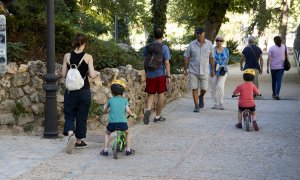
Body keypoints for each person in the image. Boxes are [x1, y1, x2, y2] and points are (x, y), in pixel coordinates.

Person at [61, 33, 96, 154]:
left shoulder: (67, 56)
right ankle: (79, 141)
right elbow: (92, 74)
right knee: (82, 115)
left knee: (69, 113)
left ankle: (71, 134)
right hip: (84, 90)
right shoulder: (88, 57)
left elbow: (63, 75)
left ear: (74, 43)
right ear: (85, 44)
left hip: (71, 91)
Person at [100, 80, 136, 156]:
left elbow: (105, 111)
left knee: (107, 133)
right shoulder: (124, 100)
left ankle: (105, 150)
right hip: (122, 123)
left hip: (112, 124)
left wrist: (107, 111)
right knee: (128, 132)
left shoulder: (110, 100)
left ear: (112, 92)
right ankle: (128, 150)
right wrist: (132, 114)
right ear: (122, 92)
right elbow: (128, 111)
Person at [143, 27, 171, 125]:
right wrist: (168, 75)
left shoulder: (147, 47)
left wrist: (146, 73)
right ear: (162, 35)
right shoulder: (164, 48)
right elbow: (167, 63)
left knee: (150, 94)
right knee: (160, 95)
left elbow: (145, 61)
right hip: (160, 75)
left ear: (153, 35)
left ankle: (148, 109)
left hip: (150, 75)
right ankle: (157, 116)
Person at [184, 27, 215, 112]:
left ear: (204, 34)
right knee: (194, 88)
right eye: (197, 33)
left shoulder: (209, 44)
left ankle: (201, 96)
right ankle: (196, 105)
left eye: (200, 33)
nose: (198, 35)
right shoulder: (191, 44)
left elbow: (211, 57)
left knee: (204, 88)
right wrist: (185, 68)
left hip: (205, 71)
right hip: (193, 70)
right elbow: (186, 56)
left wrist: (213, 70)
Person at [209, 35, 229, 110]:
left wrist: (223, 66)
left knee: (220, 86)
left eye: (220, 40)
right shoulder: (212, 50)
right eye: (217, 40)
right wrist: (212, 70)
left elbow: (227, 60)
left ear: (223, 42)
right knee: (213, 87)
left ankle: (221, 103)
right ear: (215, 41)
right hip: (213, 71)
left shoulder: (226, 50)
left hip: (222, 71)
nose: (219, 42)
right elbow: (210, 60)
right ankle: (215, 103)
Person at [267, 36, 286, 100]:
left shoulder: (271, 48)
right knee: (279, 81)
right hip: (281, 67)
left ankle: (274, 94)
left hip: (273, 67)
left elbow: (269, 59)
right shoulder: (284, 47)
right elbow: (287, 56)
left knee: (274, 80)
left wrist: (267, 68)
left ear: (274, 41)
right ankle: (277, 93)